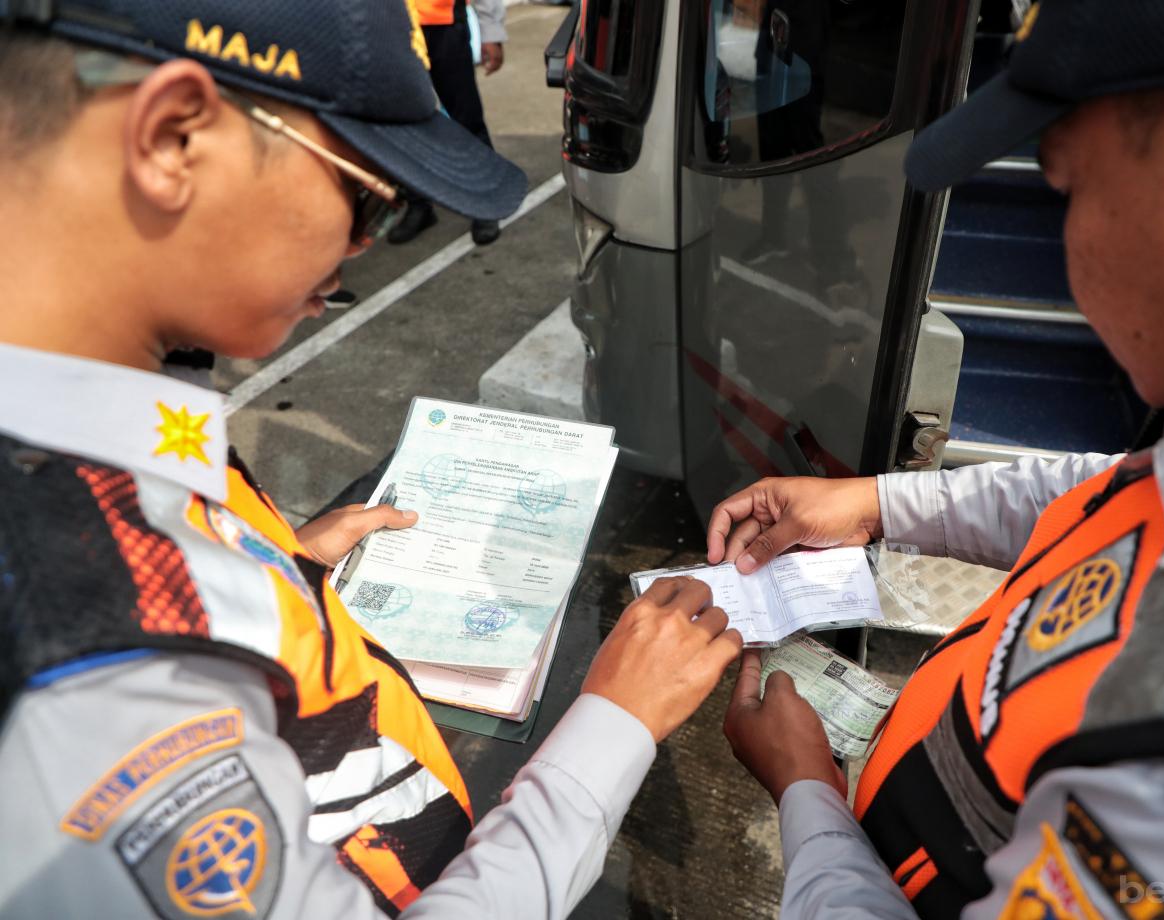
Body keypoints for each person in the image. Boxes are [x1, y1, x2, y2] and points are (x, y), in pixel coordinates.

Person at [0, 2, 741, 918]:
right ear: (172, 138)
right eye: (372, 195)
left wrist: (269, 563)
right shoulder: (84, 656)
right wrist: (616, 724)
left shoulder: (85, 424)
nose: (361, 248)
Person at [714, 0, 1164, 916]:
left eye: (1067, 189)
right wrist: (874, 503)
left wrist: (806, 796)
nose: (1064, 245)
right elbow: (1120, 495)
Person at [390, 0, 508, 246]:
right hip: (393, 27)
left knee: (466, 119)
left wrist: (491, 32)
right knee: (404, 121)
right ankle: (418, 203)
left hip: (444, 27)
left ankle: (485, 203)